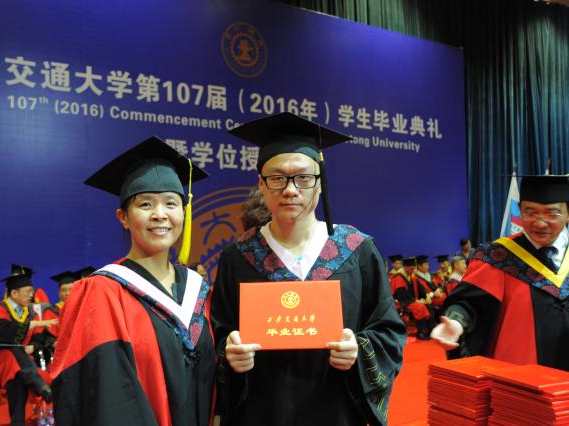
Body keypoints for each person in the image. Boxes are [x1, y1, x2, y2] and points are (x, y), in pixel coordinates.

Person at [212, 112, 406, 426]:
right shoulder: (238, 257)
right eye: (277, 178)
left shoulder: (356, 251)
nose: (290, 190)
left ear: (320, 184)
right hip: (263, 414)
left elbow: (389, 331)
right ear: (261, 184)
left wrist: (358, 350)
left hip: (338, 412)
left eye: (303, 178)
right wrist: (229, 354)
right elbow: (218, 335)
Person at [49, 136, 215, 425]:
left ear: (184, 212)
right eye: (146, 204)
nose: (160, 215)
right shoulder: (102, 292)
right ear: (123, 217)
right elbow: (106, 393)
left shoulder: (197, 289)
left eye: (171, 203)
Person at [431, 175, 569, 370]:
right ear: (519, 211)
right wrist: (456, 322)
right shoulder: (497, 256)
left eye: (552, 214)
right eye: (530, 212)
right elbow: (468, 303)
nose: (540, 223)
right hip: (522, 373)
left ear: (567, 213)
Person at [0, 272, 58, 426]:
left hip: (17, 363)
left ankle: (18, 421)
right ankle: (40, 386)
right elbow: (4, 333)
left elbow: (39, 336)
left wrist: (34, 346)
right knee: (13, 355)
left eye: (32, 291)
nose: (31, 295)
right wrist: (31, 325)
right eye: (28, 292)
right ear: (14, 293)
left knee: (17, 371)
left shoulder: (28, 312)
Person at [389, 257, 432, 340]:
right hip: (401, 302)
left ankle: (429, 329)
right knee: (420, 307)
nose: (413, 271)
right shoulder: (398, 278)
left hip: (409, 300)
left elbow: (420, 288)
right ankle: (420, 332)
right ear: (405, 267)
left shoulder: (410, 276)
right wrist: (416, 301)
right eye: (411, 269)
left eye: (414, 268)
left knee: (428, 304)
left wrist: (426, 295)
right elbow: (402, 296)